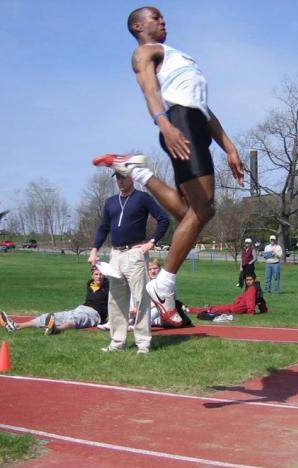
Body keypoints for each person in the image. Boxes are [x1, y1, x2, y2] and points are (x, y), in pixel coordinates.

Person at [92, 6, 244, 327]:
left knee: (189, 212)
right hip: (180, 124)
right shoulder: (144, 52)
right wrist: (164, 124)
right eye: (154, 17)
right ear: (137, 25)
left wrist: (229, 147)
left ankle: (138, 170)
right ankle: (163, 286)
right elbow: (149, 90)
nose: (162, 20)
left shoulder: (178, 55)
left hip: (196, 123)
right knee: (204, 211)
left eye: (163, 17)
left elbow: (204, 109)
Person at [88, 171, 169, 353]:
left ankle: (143, 343)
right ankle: (117, 342)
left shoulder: (142, 198)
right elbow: (103, 228)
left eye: (123, 177)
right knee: (116, 300)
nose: (120, 181)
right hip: (115, 254)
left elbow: (164, 219)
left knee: (141, 299)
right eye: (117, 178)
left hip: (135, 254)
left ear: (131, 178)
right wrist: (94, 250)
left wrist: (151, 243)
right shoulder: (110, 202)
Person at [0, 267, 109, 335]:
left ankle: (56, 329)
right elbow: (93, 269)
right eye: (96, 274)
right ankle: (16, 326)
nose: (99, 276)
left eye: (101, 274)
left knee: (76, 319)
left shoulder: (109, 285)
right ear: (92, 275)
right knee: (50, 316)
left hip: (95, 314)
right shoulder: (89, 284)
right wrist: (95, 263)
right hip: (80, 308)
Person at [185, 272, 268, 316]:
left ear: (254, 279)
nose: (248, 282)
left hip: (233, 309)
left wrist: (250, 312)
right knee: (213, 308)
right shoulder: (256, 287)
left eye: (250, 280)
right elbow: (260, 300)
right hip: (235, 307)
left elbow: (250, 302)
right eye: (247, 280)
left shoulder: (252, 289)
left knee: (212, 309)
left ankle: (190, 310)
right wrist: (264, 310)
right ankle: (191, 309)